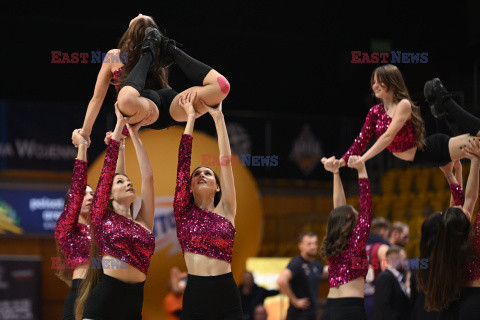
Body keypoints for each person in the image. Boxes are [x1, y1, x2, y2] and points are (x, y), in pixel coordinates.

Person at [78, 14, 230, 146]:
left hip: (167, 103)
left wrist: (87, 133)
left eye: (141, 17)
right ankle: (152, 50)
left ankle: (170, 49)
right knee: (125, 101)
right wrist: (113, 132)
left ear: (131, 33)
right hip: (147, 107)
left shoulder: (115, 55)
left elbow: (97, 99)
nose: (140, 13)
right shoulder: (119, 56)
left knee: (221, 86)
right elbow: (97, 99)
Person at [74, 106, 156, 320]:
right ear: (108, 195)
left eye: (129, 182)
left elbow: (148, 178)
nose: (128, 183)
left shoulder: (143, 223)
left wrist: (135, 134)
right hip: (105, 299)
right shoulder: (102, 216)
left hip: (134, 304)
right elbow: (110, 169)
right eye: (121, 182)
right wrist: (119, 126)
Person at [173, 92, 243, 319]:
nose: (201, 175)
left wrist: (219, 118)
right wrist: (191, 119)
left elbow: (225, 161)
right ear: (189, 187)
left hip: (226, 293)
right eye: (197, 174)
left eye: (208, 173)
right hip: (196, 294)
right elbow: (183, 164)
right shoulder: (183, 212)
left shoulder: (227, 209)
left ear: (218, 187)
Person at [333, 64, 478, 168]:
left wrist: (362, 159)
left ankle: (445, 102)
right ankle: (441, 112)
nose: (375, 85)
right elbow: (361, 140)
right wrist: (342, 161)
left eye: (380, 81)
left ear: (392, 82)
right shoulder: (375, 112)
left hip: (434, 149)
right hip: (426, 160)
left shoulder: (403, 105)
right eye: (373, 81)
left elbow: (388, 136)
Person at [55, 129, 127, 320]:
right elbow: (78, 183)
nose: (89, 196)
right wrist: (82, 146)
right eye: (83, 194)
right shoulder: (66, 228)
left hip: (107, 291)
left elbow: (117, 187)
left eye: (92, 193)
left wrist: (119, 147)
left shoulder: (102, 225)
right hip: (80, 293)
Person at [418, 140, 480, 319]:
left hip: (451, 305)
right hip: (474, 305)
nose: (458, 205)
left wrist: (452, 174)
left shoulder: (445, 245)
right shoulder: (472, 243)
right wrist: (475, 161)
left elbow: (464, 201)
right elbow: (471, 197)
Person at [318, 155, 372, 320]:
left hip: (329, 309)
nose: (359, 216)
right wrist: (362, 171)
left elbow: (339, 210)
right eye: (356, 215)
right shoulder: (357, 241)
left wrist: (335, 173)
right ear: (351, 222)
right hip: (349, 310)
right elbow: (366, 206)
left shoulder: (334, 240)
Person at [276, 232, 327, 320]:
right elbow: (281, 281)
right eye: (309, 244)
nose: (313, 246)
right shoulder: (297, 262)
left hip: (311, 314)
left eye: (315, 243)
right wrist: (295, 301)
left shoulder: (315, 264)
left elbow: (328, 271)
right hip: (298, 315)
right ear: (301, 246)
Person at [373, 246, 412, 320]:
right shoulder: (385, 277)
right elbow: (384, 307)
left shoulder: (399, 277)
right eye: (404, 259)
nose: (407, 262)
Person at [364, 218, 391, 320]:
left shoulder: (359, 249)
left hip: (362, 297)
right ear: (383, 231)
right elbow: (389, 275)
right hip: (378, 298)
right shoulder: (382, 248)